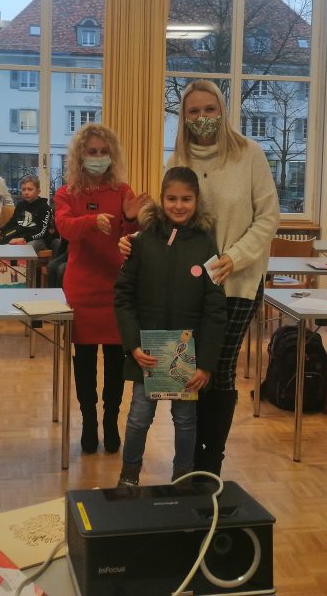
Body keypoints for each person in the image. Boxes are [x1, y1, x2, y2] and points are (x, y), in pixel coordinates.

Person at [124, 79, 279, 476]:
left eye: (210, 109)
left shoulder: (249, 154)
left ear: (222, 110)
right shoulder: (178, 158)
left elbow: (268, 217)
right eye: (193, 111)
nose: (202, 117)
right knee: (192, 371)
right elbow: (167, 217)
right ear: (184, 117)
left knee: (219, 370)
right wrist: (136, 239)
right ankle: (190, 463)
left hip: (238, 282)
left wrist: (234, 257)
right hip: (189, 288)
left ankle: (210, 465)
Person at [113, 167, 226, 487]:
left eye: (186, 199)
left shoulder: (207, 246)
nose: (178, 205)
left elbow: (215, 309)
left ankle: (183, 477)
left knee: (185, 421)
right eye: (172, 198)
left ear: (197, 200)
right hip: (146, 355)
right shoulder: (141, 241)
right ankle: (129, 476)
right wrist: (133, 345)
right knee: (138, 418)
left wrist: (205, 364)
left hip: (187, 358)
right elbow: (123, 297)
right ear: (161, 199)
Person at [54, 124, 150, 454]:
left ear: (112, 155)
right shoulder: (66, 193)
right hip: (81, 291)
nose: (98, 157)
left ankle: (110, 422)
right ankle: (89, 423)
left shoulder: (122, 191)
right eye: (92, 151)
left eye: (103, 152)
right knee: (83, 363)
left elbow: (130, 238)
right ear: (80, 155)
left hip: (116, 290)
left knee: (114, 364)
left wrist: (132, 219)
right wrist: (91, 222)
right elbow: (64, 228)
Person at [0, 174, 53, 253]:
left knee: (26, 248)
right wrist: (0, 230)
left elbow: (42, 232)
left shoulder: (44, 208)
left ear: (38, 192)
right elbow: (12, 223)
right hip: (20, 236)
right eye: (23, 189)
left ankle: (24, 261)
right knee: (2, 243)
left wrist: (24, 239)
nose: (26, 192)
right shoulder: (20, 205)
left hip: (38, 239)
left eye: (30, 189)